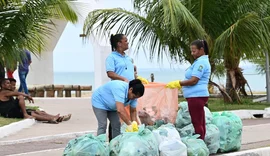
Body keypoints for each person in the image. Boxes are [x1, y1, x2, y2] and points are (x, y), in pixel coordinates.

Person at [166, 39, 211, 140]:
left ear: (201, 50)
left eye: (194, 51)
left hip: (196, 96)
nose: (192, 53)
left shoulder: (201, 63)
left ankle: (200, 141)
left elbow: (194, 80)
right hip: (196, 96)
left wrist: (179, 83)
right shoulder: (199, 61)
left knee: (197, 121)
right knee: (200, 120)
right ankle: (201, 140)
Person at [0, 78, 71, 123]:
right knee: (21, 97)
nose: (10, 85)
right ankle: (26, 115)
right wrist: (27, 95)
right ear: (2, 85)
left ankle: (55, 117)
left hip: (12, 110)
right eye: (7, 83)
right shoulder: (3, 92)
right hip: (9, 113)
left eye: (10, 83)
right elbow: (17, 93)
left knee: (37, 112)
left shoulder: (8, 92)